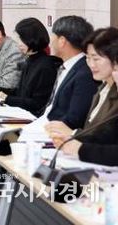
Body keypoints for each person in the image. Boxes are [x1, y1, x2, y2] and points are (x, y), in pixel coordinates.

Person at [45, 27, 118, 165]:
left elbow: (108, 139)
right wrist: (72, 138)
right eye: (88, 58)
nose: (91, 64)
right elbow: (100, 136)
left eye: (96, 59)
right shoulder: (102, 88)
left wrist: (75, 139)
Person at [0, 18, 62, 116]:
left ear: (32, 38)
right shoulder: (29, 60)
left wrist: (6, 98)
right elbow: (21, 93)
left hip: (32, 117)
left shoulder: (45, 66)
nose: (18, 44)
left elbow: (37, 103)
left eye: (21, 39)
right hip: (22, 113)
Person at [43, 15, 98, 129]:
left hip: (59, 131)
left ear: (62, 41)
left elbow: (75, 119)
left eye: (53, 36)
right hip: (46, 124)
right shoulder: (66, 66)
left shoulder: (85, 74)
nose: (50, 42)